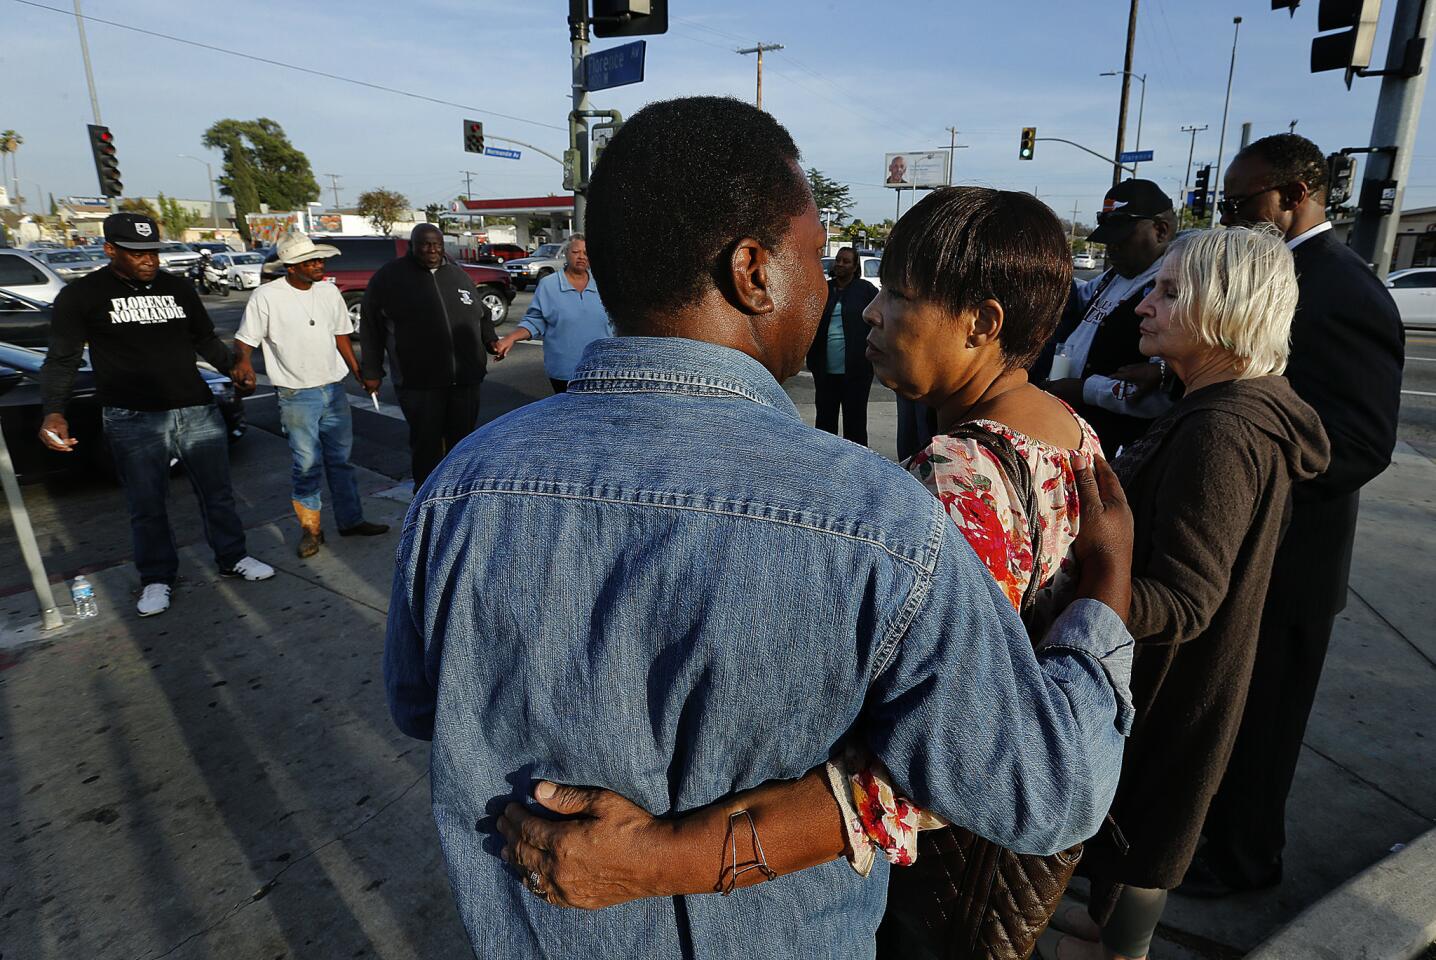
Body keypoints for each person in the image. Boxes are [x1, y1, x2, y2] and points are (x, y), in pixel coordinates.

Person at [383, 96, 1137, 960]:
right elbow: (1050, 790)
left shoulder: (455, 491)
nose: (841, 295)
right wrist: (1106, 603)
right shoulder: (882, 525)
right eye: (815, 258)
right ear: (753, 271)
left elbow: (419, 705)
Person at [1039, 227, 1330, 960]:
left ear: (1227, 307)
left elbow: (1187, 599)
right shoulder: (1232, 408)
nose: (1146, 305)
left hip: (1172, 699)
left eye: (1169, 293)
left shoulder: (1223, 431)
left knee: (1143, 854)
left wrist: (1073, 584)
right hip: (1182, 695)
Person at [1188, 134, 1406, 897]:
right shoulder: (1281, 275)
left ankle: (1245, 859)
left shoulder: (1340, 288)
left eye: (1245, 204)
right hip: (1248, 554)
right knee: (1227, 719)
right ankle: (1213, 840)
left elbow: (1360, 443)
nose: (1237, 218)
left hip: (1292, 563)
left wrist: (1246, 471)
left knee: (1264, 729)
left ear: (1299, 192)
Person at [38, 212, 274, 618]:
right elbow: (62, 359)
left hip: (195, 408)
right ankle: (157, 578)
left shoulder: (177, 287)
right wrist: (54, 412)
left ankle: (232, 556)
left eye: (152, 251)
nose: (148, 260)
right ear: (110, 249)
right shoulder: (82, 296)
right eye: (135, 253)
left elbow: (202, 338)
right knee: (147, 503)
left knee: (217, 493)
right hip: (132, 417)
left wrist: (233, 368)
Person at [231, 230, 388, 558]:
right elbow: (246, 339)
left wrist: (359, 372)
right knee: (306, 464)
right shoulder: (266, 296)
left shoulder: (329, 292)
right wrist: (243, 363)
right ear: (291, 266)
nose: (319, 264)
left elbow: (341, 335)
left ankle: (351, 519)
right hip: (295, 393)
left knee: (341, 461)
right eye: (311, 260)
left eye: (319, 258)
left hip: (333, 388)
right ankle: (310, 530)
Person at [1034, 180, 1179, 458]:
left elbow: (1160, 394)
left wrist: (1085, 389)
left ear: (1160, 230)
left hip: (1117, 445)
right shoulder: (1118, 275)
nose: (1111, 249)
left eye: (1121, 238)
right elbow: (1079, 295)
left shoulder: (1173, 288)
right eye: (1108, 239)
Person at [360, 223, 499, 488]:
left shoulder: (457, 274)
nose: (432, 250)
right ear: (412, 246)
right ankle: (426, 497)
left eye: (437, 244)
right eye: (425, 244)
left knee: (463, 442)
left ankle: (458, 492)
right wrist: (371, 371)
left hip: (466, 378)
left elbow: (481, 313)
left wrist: (489, 339)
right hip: (419, 381)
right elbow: (370, 327)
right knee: (427, 445)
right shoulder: (390, 278)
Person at [491, 234, 610, 392]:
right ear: (566, 254)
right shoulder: (549, 285)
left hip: (603, 370)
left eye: (586, 253)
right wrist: (510, 338)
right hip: (565, 373)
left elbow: (618, 322)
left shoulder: (604, 284)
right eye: (576, 252)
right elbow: (535, 321)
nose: (581, 257)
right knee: (568, 415)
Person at [808, 245, 879, 444]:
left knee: (855, 425)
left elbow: (880, 320)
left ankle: (856, 471)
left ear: (855, 266)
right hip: (825, 372)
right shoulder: (824, 289)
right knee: (824, 423)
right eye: (838, 260)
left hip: (856, 372)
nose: (840, 264)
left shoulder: (866, 290)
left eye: (846, 261)